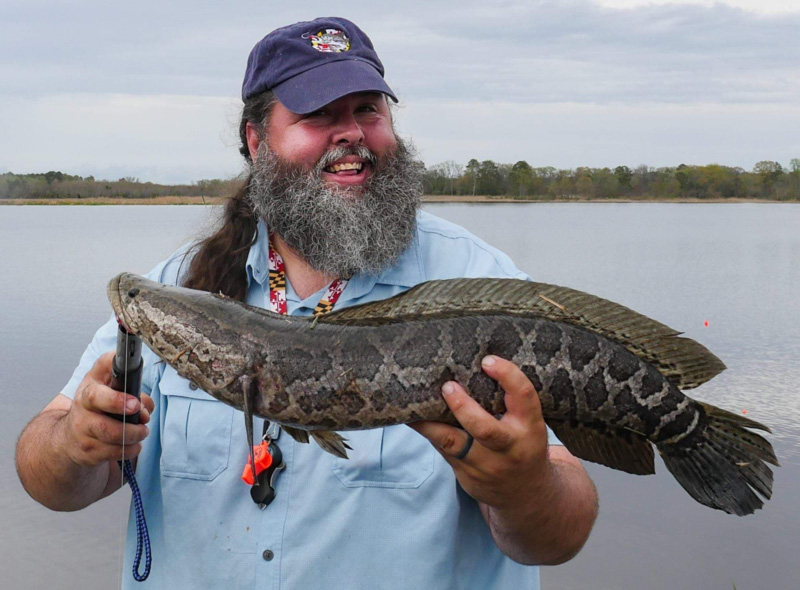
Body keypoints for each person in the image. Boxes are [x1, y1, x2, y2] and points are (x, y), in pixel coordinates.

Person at [16, 17, 597, 589]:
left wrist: (526, 489)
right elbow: (50, 479)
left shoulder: (480, 283)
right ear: (255, 139)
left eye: (368, 108)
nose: (351, 133)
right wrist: (75, 443)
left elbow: (559, 535)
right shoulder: (179, 290)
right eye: (319, 114)